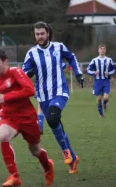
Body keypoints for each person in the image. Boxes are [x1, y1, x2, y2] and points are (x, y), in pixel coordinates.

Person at [23, 21, 85, 174]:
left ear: (48, 33)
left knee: (52, 118)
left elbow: (71, 57)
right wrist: (27, 75)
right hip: (43, 96)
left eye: (42, 33)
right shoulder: (32, 53)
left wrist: (78, 73)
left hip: (59, 91)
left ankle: (66, 151)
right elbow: (22, 74)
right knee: (54, 122)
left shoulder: (58, 47)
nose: (40, 36)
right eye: (37, 34)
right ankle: (73, 158)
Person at [0, 49, 55, 187]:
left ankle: (48, 167)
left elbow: (30, 90)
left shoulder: (16, 72)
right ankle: (14, 176)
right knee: (4, 136)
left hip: (27, 116)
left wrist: (6, 97)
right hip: (8, 116)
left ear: (5, 61)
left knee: (35, 150)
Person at [37, 61, 67, 134]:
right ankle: (40, 125)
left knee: (51, 110)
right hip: (43, 85)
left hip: (53, 87)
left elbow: (63, 65)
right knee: (41, 105)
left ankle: (40, 125)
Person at [86, 44, 115, 118]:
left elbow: (113, 70)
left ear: (105, 50)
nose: (102, 50)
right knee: (99, 99)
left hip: (106, 81)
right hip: (97, 82)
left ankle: (105, 103)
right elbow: (88, 69)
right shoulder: (94, 60)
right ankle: (101, 115)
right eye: (101, 49)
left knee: (105, 98)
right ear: (98, 50)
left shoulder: (109, 60)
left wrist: (109, 73)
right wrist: (94, 72)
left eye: (104, 49)